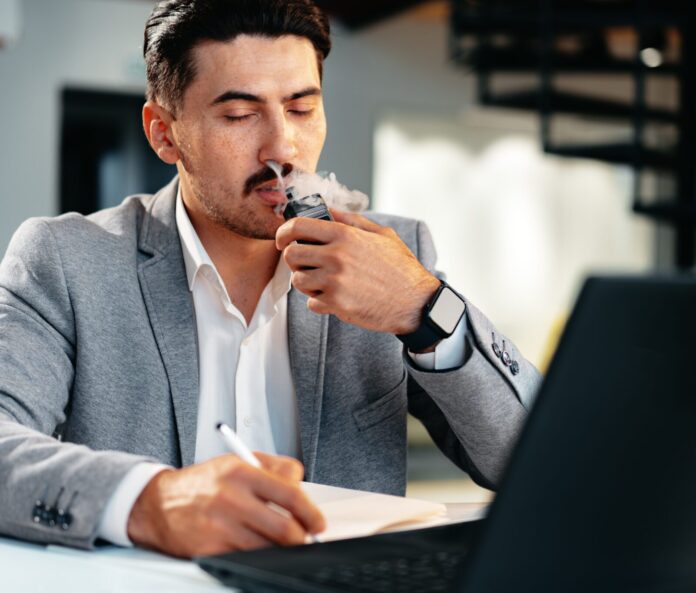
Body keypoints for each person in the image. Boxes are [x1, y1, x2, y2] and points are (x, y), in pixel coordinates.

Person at [0, 0, 541, 558]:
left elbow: (544, 463)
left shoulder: (394, 255)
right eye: (239, 115)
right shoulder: (65, 262)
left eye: (302, 109)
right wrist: (150, 501)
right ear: (164, 134)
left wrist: (423, 307)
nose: (283, 148)